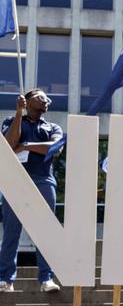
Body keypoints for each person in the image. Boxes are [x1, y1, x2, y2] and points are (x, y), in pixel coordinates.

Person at [0, 89, 63, 293]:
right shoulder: (12, 120)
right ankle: (5, 279)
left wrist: (26, 145)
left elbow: (54, 148)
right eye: (41, 96)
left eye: (47, 99)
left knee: (45, 230)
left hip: (44, 180)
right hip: (15, 180)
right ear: (27, 101)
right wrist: (19, 114)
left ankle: (47, 278)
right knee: (11, 231)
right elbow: (8, 145)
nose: (47, 100)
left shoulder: (53, 127)